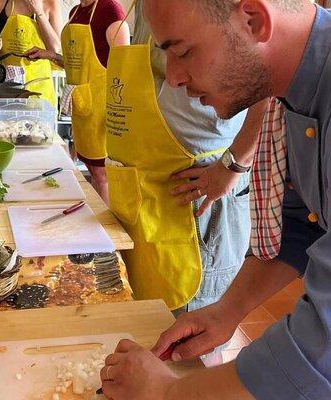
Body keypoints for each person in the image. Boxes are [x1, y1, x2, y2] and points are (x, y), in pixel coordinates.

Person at [99, 1, 331, 399]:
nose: (172, 77)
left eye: (183, 51)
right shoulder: (288, 92)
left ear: (254, 21)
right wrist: (226, 311)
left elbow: (319, 348)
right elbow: (303, 225)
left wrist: (166, 394)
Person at [105, 0, 264, 366]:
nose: (176, 73)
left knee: (192, 340)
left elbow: (268, 86)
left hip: (198, 190)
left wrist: (233, 164)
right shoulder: (145, 8)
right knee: (153, 323)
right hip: (147, 191)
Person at [26, 0, 130, 203]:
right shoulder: (76, 12)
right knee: (93, 170)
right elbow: (79, 64)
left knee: (102, 174)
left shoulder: (110, 10)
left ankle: (106, 229)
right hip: (82, 108)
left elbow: (125, 69)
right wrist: (51, 55)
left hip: (104, 111)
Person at [0, 0, 61, 107]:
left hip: (38, 86)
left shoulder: (50, 4)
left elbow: (54, 48)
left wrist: (38, 11)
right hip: (6, 88)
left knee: (37, 123)